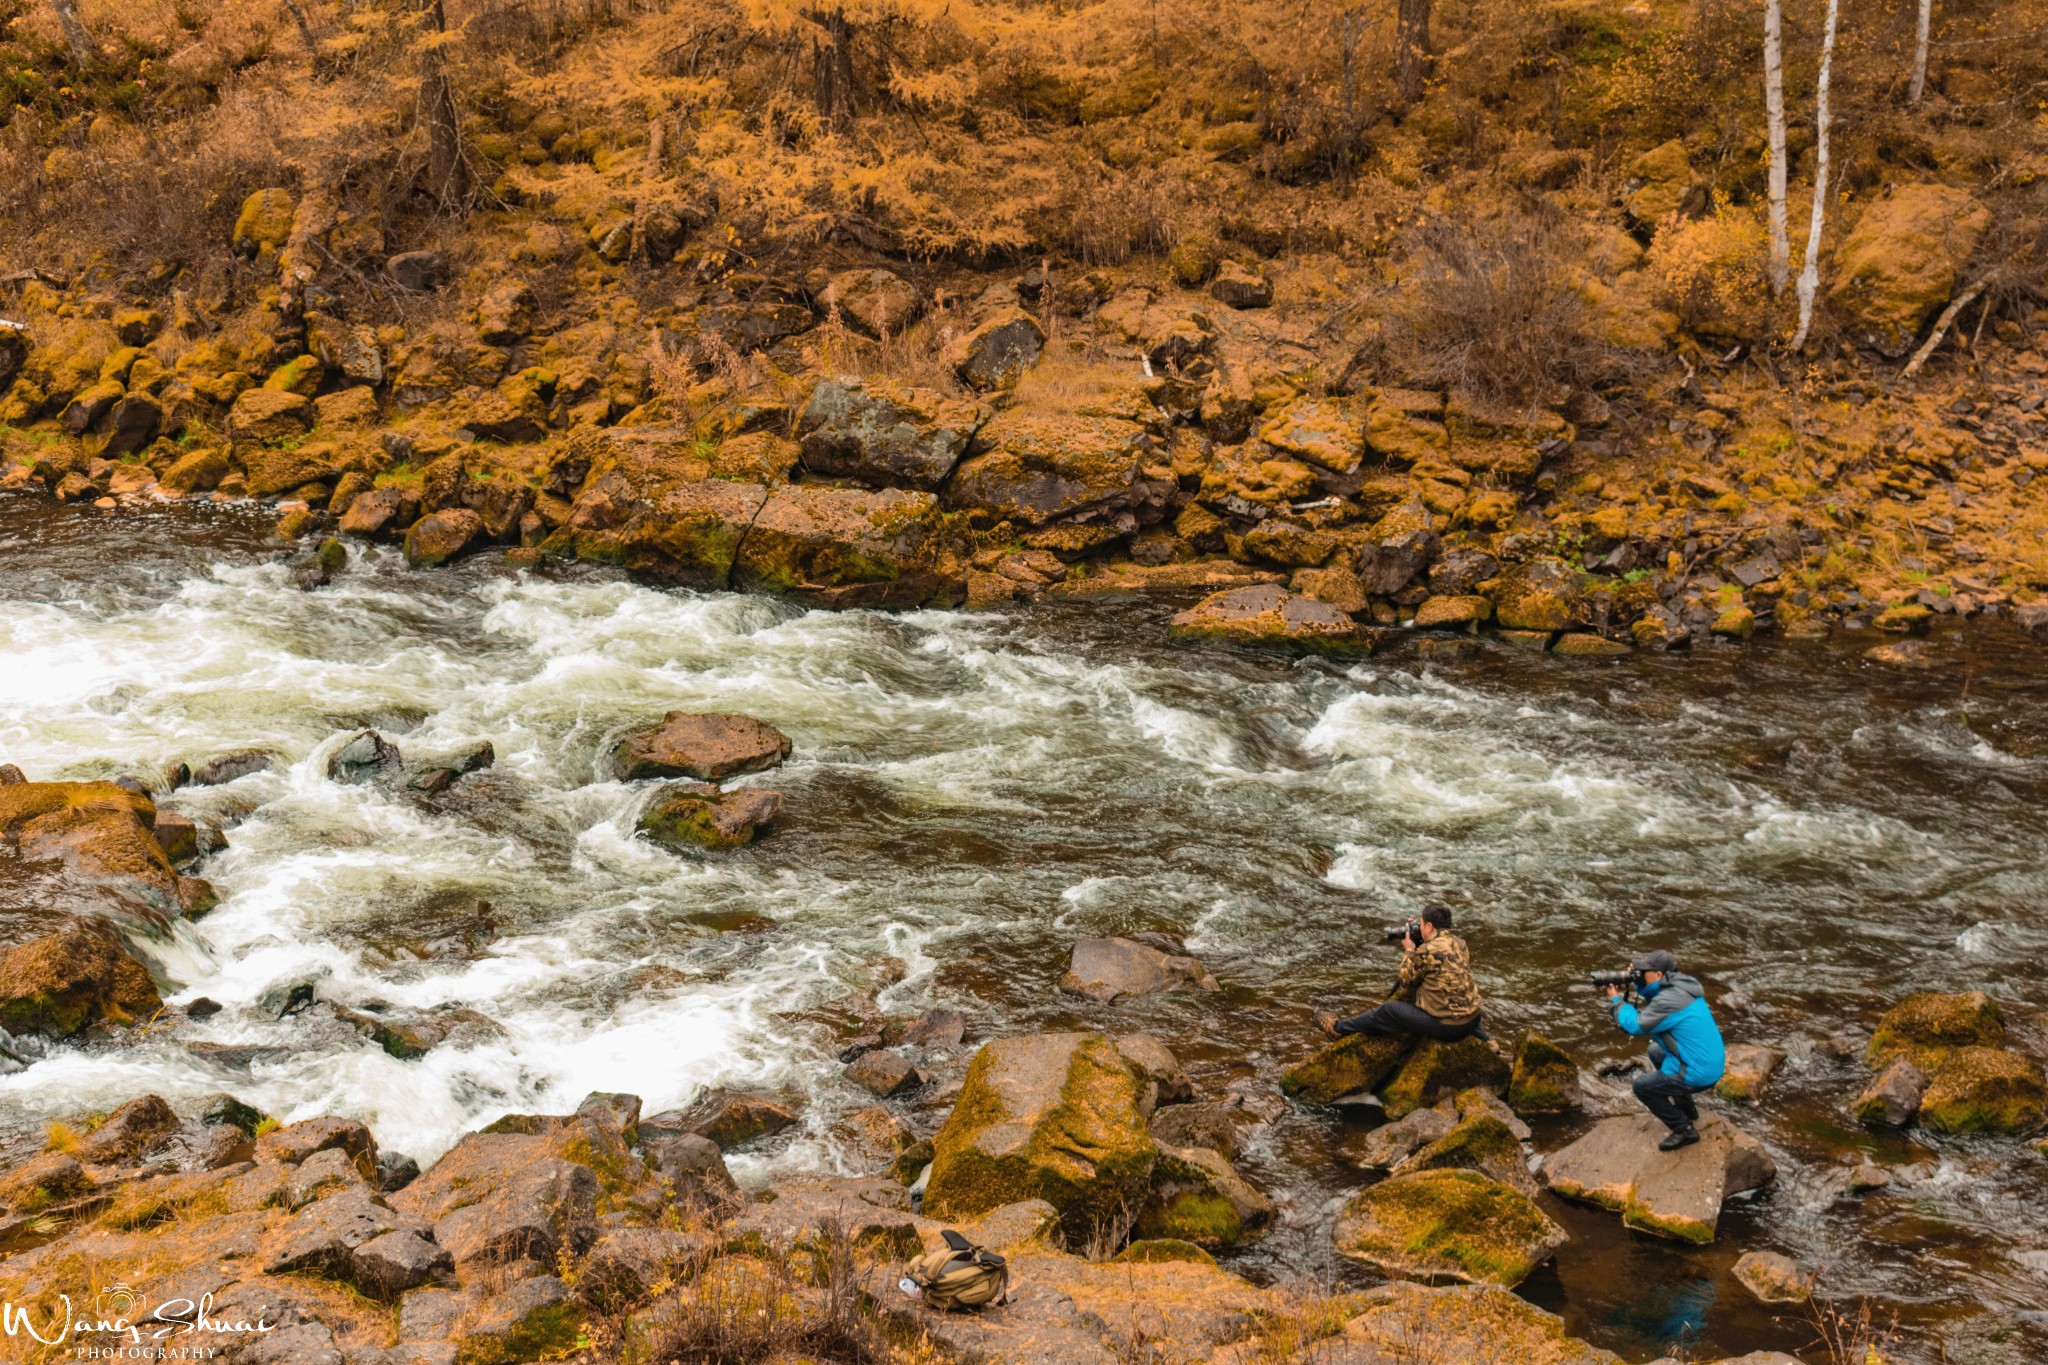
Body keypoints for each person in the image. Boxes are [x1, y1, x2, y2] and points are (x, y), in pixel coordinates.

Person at [1604, 948, 1726, 1151]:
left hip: (1698, 1071)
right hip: (1709, 1062)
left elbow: (1636, 1025)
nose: (1641, 974)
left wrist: (1617, 1002)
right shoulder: (1682, 987)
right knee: (1655, 1052)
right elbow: (1656, 1000)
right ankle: (1687, 1109)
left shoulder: (1669, 1000)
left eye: (1645, 971)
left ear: (1659, 974)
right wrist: (1640, 982)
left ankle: (1684, 1130)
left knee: (1643, 1087)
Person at [1314, 904, 1487, 1043]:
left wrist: (1410, 950)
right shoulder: (1460, 943)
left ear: (1429, 926)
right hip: (1473, 1020)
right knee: (1456, 994)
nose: (1418, 927)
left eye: (1420, 924)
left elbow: (1406, 980)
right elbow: (1440, 967)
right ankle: (1487, 1039)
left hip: (1449, 1028)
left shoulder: (1427, 950)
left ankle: (1337, 1029)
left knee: (1388, 1010)